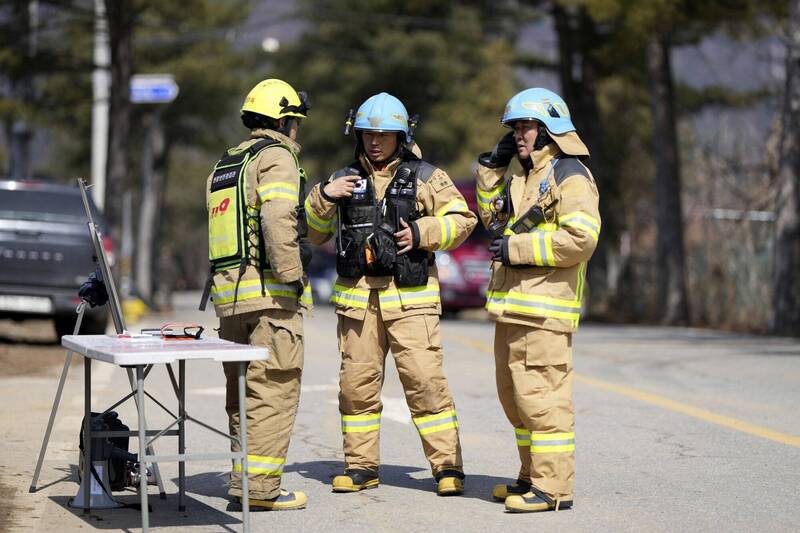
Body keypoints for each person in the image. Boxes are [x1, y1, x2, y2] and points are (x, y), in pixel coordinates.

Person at [305, 92, 476, 496]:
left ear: (401, 136)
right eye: (368, 134)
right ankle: (361, 467)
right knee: (356, 386)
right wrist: (325, 197)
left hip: (411, 301)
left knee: (426, 384)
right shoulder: (341, 179)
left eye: (384, 134)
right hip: (359, 304)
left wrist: (423, 232)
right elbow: (313, 232)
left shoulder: (426, 176)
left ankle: (448, 468)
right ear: (357, 135)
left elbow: (462, 220)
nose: (375, 142)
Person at [475, 88, 601, 512]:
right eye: (515, 129)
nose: (518, 136)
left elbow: (582, 239)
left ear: (550, 129)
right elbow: (491, 218)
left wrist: (519, 249)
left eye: (525, 127)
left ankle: (552, 490)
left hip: (545, 312)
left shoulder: (571, 176)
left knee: (544, 401)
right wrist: (492, 168)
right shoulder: (525, 177)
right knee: (516, 400)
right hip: (513, 307)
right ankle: (530, 477)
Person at [202, 78, 313, 511]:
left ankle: (242, 479)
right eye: (295, 122)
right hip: (270, 298)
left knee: (241, 395)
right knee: (273, 392)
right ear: (284, 120)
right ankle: (261, 490)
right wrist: (294, 275)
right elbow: (278, 216)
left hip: (230, 300)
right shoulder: (277, 157)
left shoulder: (226, 163)